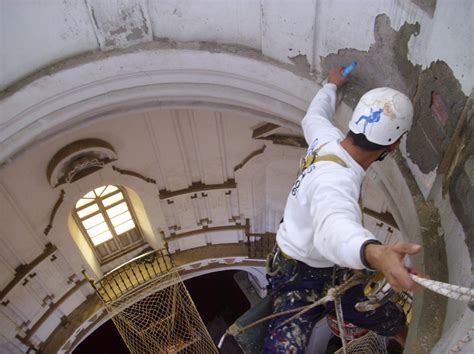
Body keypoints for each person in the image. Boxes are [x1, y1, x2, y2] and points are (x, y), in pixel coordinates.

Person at [262, 67, 422, 353]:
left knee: (377, 314)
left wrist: (331, 86)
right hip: (298, 277)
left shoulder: (327, 140)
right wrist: (377, 253)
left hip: (330, 266)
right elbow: (332, 228)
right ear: (394, 144)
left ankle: (408, 341)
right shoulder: (338, 181)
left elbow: (312, 117)